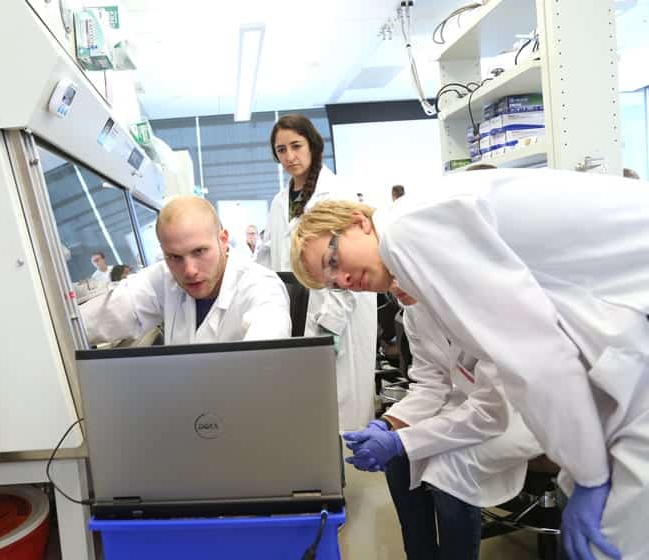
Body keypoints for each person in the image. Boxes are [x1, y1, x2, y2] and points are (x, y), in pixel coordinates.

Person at [290, 168, 649, 560]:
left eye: (333, 258)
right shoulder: (416, 236)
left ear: (359, 222)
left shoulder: (407, 233)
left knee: (610, 540)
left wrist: (591, 476)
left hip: (621, 341)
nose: (344, 279)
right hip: (610, 348)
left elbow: (535, 359)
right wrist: (392, 427)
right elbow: (522, 361)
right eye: (334, 284)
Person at [345, 302, 542, 559]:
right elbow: (431, 384)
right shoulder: (415, 311)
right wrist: (389, 423)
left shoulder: (482, 302)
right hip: (473, 404)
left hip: (526, 410)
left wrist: (402, 440)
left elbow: (490, 410)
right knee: (399, 461)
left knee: (448, 466)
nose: (398, 286)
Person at [256, 113, 376, 431]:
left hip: (339, 318)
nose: (290, 157)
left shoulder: (338, 193)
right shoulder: (279, 202)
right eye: (281, 150)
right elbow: (267, 263)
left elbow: (349, 269)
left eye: (296, 146)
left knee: (343, 406)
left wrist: (328, 330)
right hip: (295, 315)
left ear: (313, 145)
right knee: (307, 412)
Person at [80, 196, 291, 344]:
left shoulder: (262, 286)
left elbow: (264, 360)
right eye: (174, 257)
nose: (189, 271)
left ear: (223, 240)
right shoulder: (164, 277)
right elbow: (99, 317)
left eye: (199, 251)